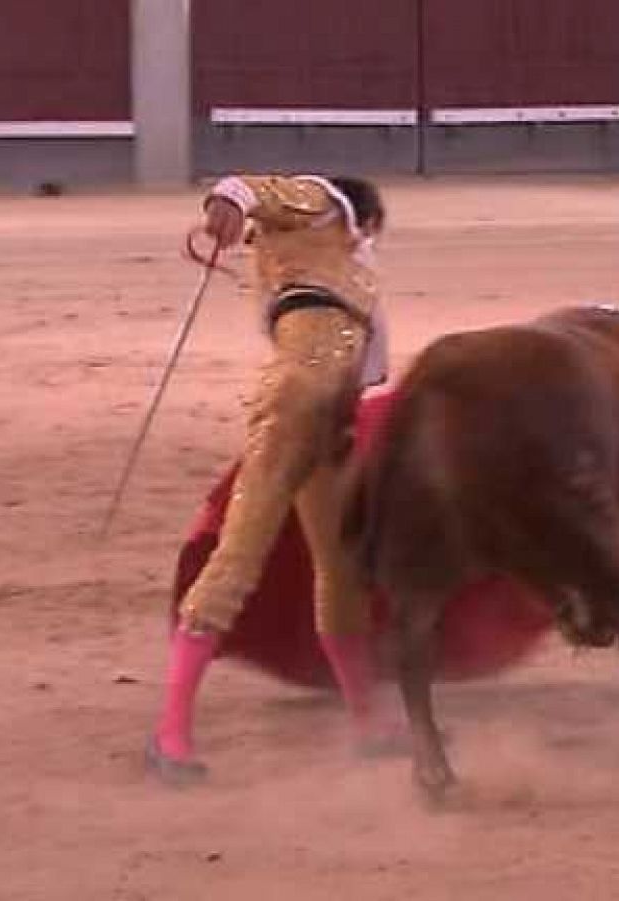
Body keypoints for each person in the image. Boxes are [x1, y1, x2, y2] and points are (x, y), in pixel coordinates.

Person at [147, 173, 394, 784]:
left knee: (341, 566)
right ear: (362, 214)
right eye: (374, 227)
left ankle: (369, 724)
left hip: (329, 417)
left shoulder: (337, 263)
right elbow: (257, 188)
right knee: (239, 555)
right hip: (293, 405)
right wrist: (226, 203)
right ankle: (169, 736)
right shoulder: (319, 203)